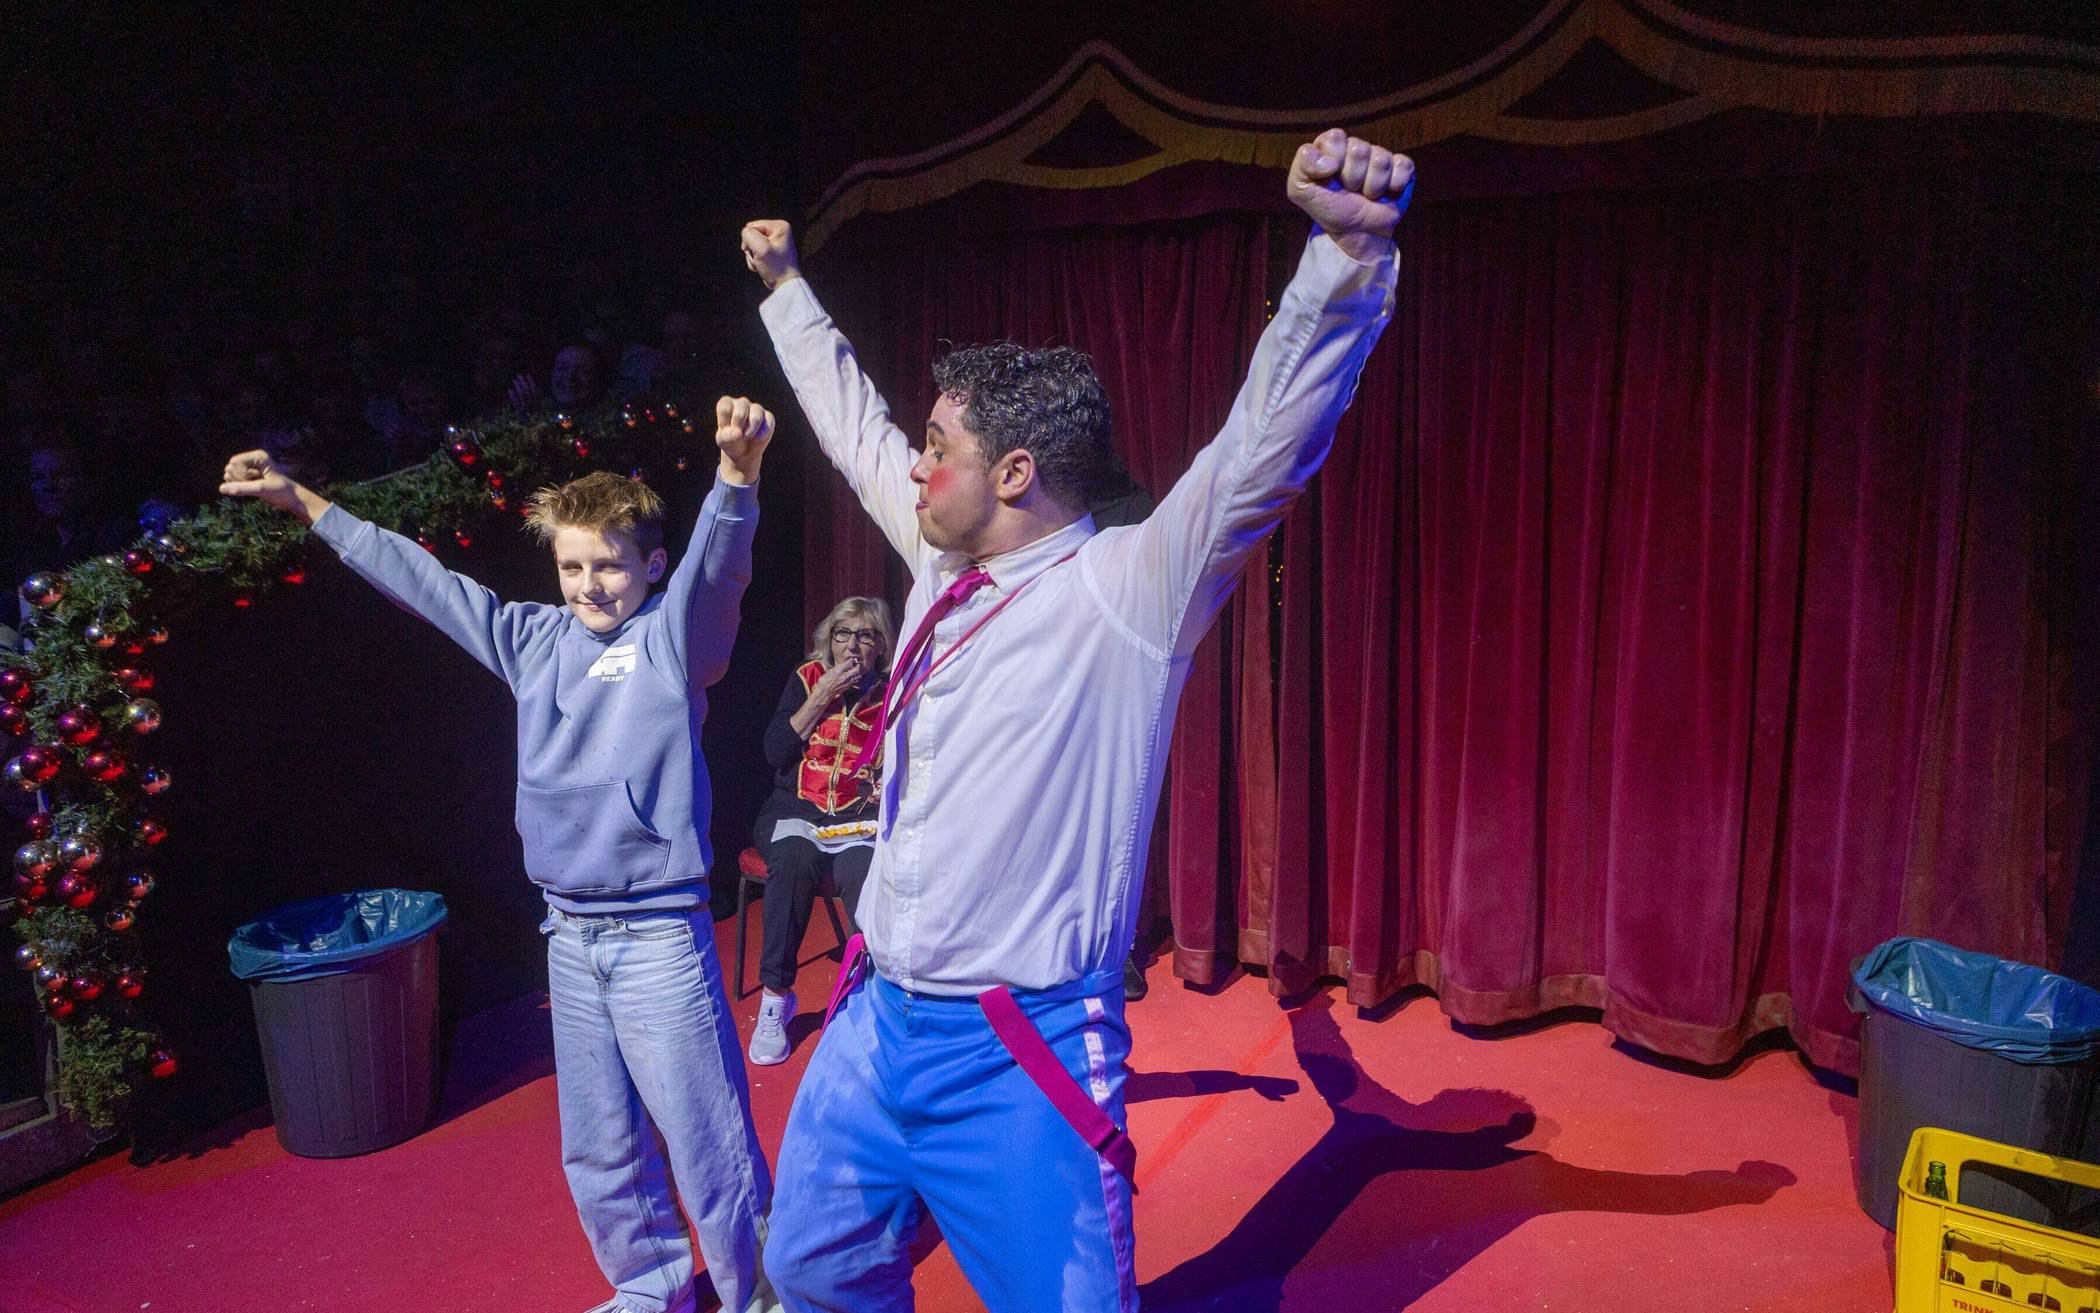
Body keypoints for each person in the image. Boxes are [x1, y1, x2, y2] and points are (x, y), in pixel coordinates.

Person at [739, 127, 1412, 1311]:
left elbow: (1262, 448)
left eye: (938, 448)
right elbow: (850, 425)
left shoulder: (1127, 590)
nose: (914, 466)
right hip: (874, 1017)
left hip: (1019, 1048)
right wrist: (789, 289)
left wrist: (1343, 260)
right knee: (809, 1268)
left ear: (1012, 474)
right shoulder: (938, 566)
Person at [217, 395, 784, 1313]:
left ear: (652, 565)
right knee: (599, 1143)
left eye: (610, 564)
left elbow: (718, 573)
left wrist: (735, 478)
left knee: (705, 1137)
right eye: (572, 565)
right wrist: (306, 504)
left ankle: (758, 1294)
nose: (590, 584)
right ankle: (649, 1287)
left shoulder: (673, 641)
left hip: (655, 937)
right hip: (570, 933)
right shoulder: (532, 639)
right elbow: (424, 582)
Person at [747, 596, 893, 1065]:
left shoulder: (892, 690)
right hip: (797, 808)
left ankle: (866, 998)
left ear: (880, 645)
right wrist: (822, 695)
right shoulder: (806, 678)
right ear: (828, 641)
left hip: (857, 813)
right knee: (793, 860)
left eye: (865, 635)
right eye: (842, 634)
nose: (852, 645)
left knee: (862, 869)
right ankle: (776, 997)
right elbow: (774, 752)